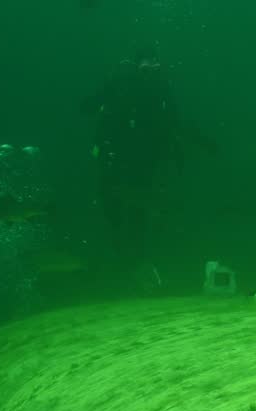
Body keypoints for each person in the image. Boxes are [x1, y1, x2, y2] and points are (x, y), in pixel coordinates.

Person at [82, 44, 185, 291]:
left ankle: (137, 260)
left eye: (154, 64)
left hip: (143, 156)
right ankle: (120, 258)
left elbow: (172, 118)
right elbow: (93, 104)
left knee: (140, 206)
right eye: (146, 64)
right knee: (113, 205)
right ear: (135, 64)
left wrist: (172, 150)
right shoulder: (120, 80)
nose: (150, 69)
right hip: (116, 153)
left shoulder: (160, 85)